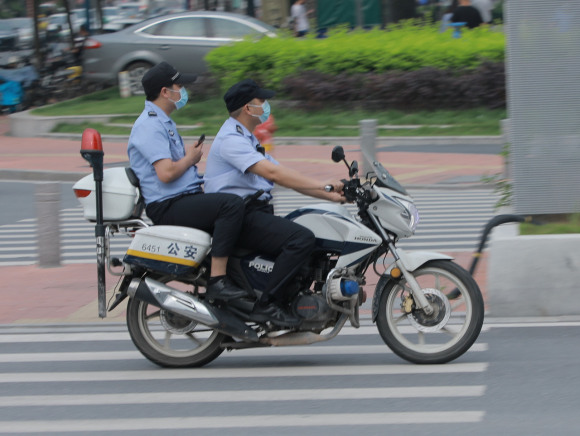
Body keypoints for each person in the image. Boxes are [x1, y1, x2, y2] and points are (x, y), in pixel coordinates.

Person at [203, 79, 345, 326]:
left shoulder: (247, 139)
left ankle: (293, 298)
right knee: (301, 239)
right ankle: (267, 305)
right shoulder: (231, 140)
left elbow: (285, 175)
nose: (267, 106)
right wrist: (324, 187)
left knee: (312, 238)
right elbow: (274, 174)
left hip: (254, 212)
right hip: (240, 217)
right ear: (248, 108)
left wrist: (330, 193)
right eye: (262, 101)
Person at [127, 62, 249, 304]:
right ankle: (218, 282)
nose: (183, 91)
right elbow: (166, 173)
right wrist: (191, 158)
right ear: (165, 92)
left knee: (242, 206)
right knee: (231, 205)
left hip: (180, 199)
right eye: (179, 86)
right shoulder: (149, 125)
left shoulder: (162, 121)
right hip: (168, 205)